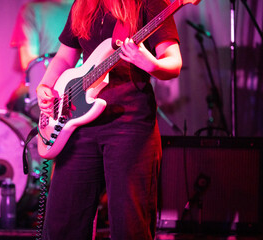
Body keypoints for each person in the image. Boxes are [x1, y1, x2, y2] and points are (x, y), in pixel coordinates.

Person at [36, 0, 182, 239]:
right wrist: (45, 86)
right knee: (63, 223)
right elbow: (64, 58)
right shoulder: (82, 5)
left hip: (130, 123)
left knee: (130, 224)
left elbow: (173, 62)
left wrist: (150, 64)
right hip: (78, 123)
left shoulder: (149, 3)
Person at [6, 0, 73, 115]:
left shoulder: (88, 7)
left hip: (80, 83)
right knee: (18, 99)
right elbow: (29, 62)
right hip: (47, 83)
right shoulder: (32, 10)